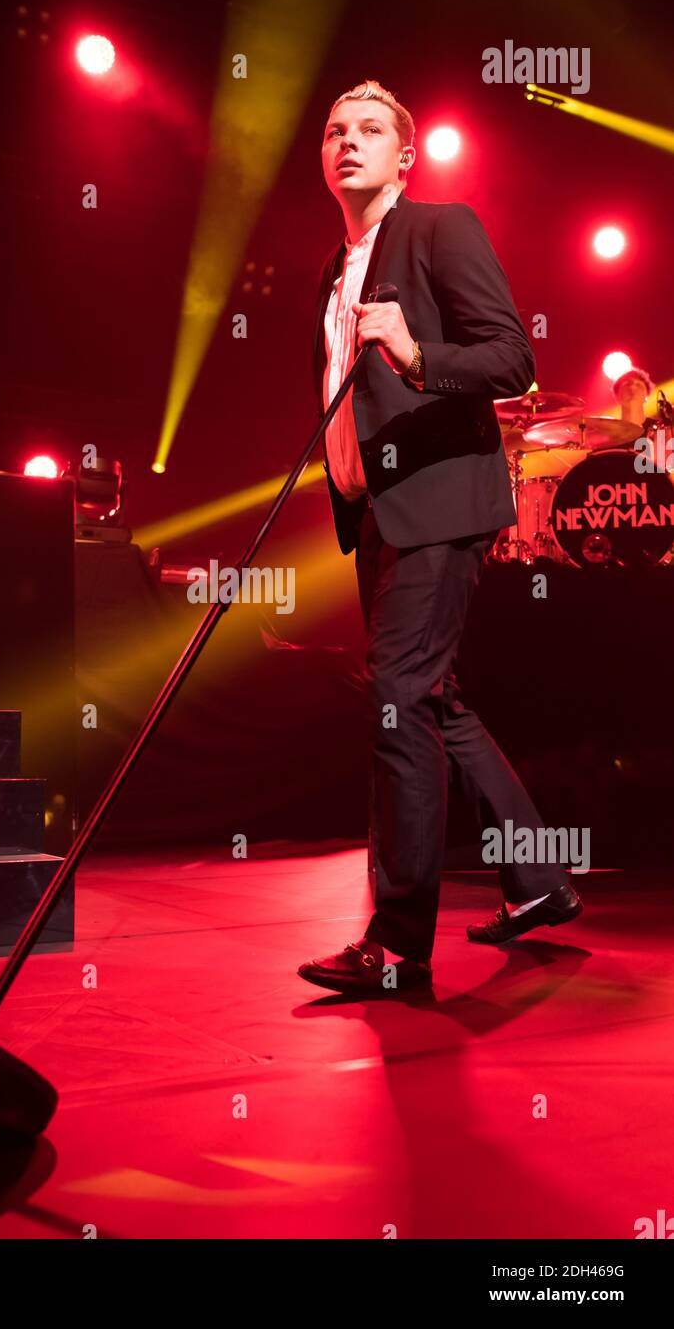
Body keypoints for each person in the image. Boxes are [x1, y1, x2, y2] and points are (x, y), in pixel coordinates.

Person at [298, 80, 583, 998]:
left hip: (441, 507)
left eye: (371, 130)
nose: (349, 142)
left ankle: (396, 944)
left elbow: (512, 356)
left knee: (396, 697)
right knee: (430, 699)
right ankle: (539, 881)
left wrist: (419, 356)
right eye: (336, 130)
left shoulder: (439, 228)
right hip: (377, 517)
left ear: (404, 157)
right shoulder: (333, 275)